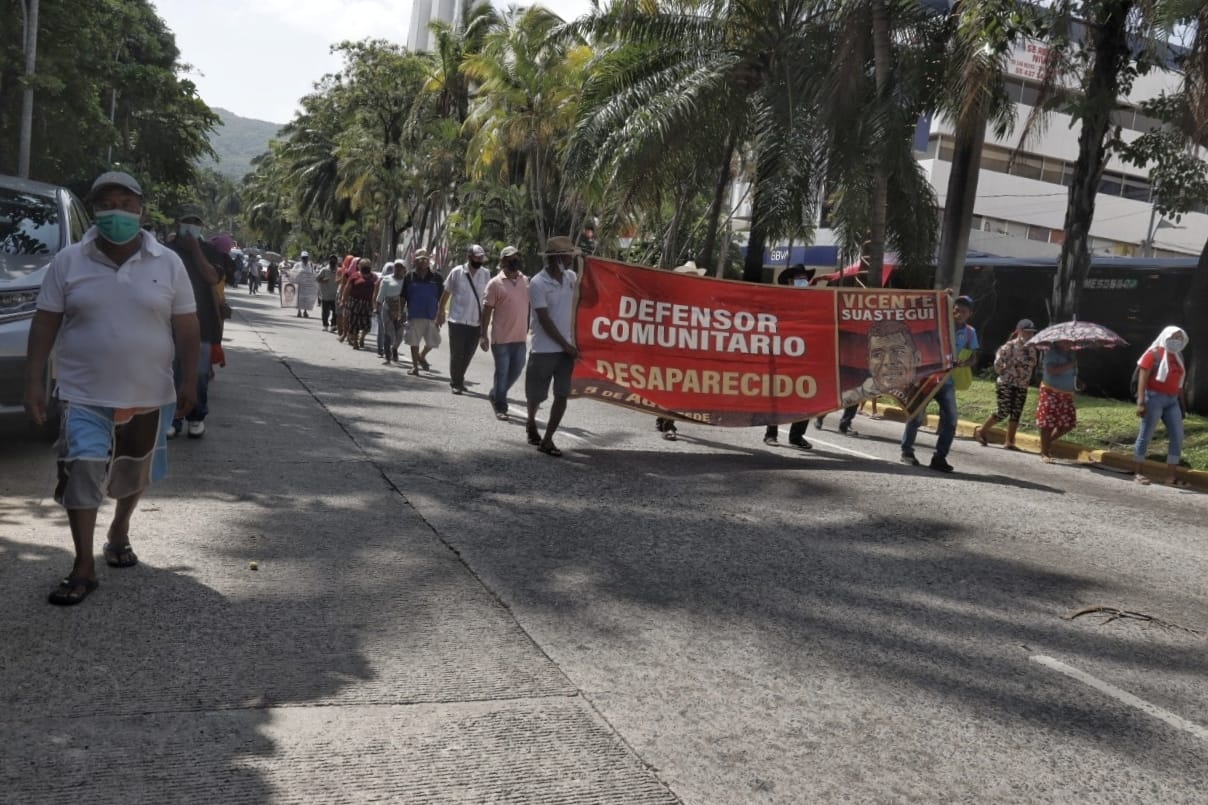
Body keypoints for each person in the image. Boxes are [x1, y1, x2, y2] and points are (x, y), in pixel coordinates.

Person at [23, 171, 199, 606]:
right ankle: (83, 564)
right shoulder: (68, 260)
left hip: (148, 391)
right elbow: (46, 320)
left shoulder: (168, 262)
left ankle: (119, 529)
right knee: (81, 465)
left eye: (126, 202)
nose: (117, 211)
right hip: (83, 390)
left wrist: (190, 378)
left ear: (140, 209)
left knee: (130, 473)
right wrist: (34, 380)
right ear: (95, 211)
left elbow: (187, 324)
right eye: (107, 204)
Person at [900, 295, 979, 472]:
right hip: (928, 378)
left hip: (947, 381)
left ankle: (939, 457)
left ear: (970, 314)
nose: (959, 313)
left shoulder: (969, 333)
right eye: (956, 309)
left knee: (951, 420)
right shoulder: (939, 324)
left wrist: (964, 363)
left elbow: (974, 356)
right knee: (917, 415)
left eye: (964, 310)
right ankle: (907, 452)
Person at [166, 205, 223, 440]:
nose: (191, 226)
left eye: (196, 223)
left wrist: (196, 250)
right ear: (179, 225)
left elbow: (211, 277)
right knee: (170, 373)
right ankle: (173, 418)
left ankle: (196, 416)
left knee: (198, 373)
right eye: (187, 222)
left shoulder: (211, 252)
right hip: (168, 322)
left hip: (202, 323)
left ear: (202, 228)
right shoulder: (166, 252)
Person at [526, 236, 579, 457]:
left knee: (561, 395)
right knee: (536, 396)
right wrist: (565, 344)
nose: (570, 260)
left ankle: (547, 439)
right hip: (544, 349)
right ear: (556, 258)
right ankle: (531, 422)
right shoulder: (538, 283)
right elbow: (544, 320)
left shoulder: (571, 278)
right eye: (567, 256)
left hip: (567, 351)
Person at [1132, 326, 1190, 486]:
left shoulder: (1179, 357)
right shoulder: (1153, 354)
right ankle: (1138, 472)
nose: (1176, 341)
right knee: (1146, 434)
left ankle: (1170, 476)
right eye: (1173, 337)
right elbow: (1143, 378)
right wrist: (1141, 402)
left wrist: (1183, 405)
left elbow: (1179, 384)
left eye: (1179, 338)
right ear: (1165, 336)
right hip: (1154, 398)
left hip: (1172, 401)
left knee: (1177, 436)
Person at [480, 246, 530, 420]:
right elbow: (486, 310)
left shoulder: (526, 281)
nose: (514, 260)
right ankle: (501, 405)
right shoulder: (495, 283)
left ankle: (496, 393)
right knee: (502, 372)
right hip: (501, 338)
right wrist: (483, 335)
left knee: (516, 371)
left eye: (517, 257)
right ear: (502, 261)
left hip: (520, 338)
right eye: (510, 258)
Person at [976, 319, 1039, 450]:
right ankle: (982, 430)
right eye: (1027, 332)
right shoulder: (1009, 346)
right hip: (1007, 382)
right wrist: (1005, 373)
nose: (1030, 336)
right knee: (1003, 410)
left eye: (1032, 333)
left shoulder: (1032, 349)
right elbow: (998, 363)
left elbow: (1032, 365)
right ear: (1020, 332)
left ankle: (1010, 441)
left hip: (1022, 384)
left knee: (1016, 412)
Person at [438, 244, 491, 394]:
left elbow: (487, 298)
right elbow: (446, 293)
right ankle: (456, 382)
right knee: (457, 353)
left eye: (481, 258)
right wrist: (440, 312)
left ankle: (459, 377)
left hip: (475, 322)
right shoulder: (457, 272)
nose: (479, 260)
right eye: (477, 257)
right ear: (469, 257)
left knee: (468, 353)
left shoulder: (486, 274)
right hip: (457, 320)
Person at [1036, 339, 1078, 463]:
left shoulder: (1071, 354)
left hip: (1066, 393)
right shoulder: (1051, 353)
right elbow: (1052, 370)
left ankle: (1046, 444)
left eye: (1070, 341)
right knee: (1048, 424)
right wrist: (1070, 365)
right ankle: (1045, 452)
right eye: (1066, 341)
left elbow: (1072, 372)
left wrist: (1078, 381)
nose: (1069, 343)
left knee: (1068, 424)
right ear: (1058, 341)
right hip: (1051, 391)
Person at [403, 249, 443, 375]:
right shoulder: (409, 276)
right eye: (420, 260)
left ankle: (421, 355)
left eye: (425, 260)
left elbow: (443, 298)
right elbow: (402, 296)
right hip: (414, 314)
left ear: (428, 261)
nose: (422, 262)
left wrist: (441, 314)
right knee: (414, 342)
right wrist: (400, 312)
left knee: (433, 342)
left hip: (431, 315)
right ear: (415, 261)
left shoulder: (437, 278)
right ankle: (415, 367)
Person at [375, 261, 406, 364]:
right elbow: (381, 295)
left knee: (400, 334)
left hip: (402, 310)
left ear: (404, 269)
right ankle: (387, 355)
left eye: (400, 267)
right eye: (396, 267)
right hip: (387, 309)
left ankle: (395, 348)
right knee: (388, 332)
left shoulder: (407, 281)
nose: (398, 269)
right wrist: (378, 306)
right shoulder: (387, 279)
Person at [344, 258, 378, 350]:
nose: (365, 268)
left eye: (367, 266)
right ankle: (355, 341)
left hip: (368, 304)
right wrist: (343, 300)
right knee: (354, 323)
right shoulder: (354, 276)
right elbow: (347, 288)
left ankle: (362, 337)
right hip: (355, 302)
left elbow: (377, 290)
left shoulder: (374, 277)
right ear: (359, 266)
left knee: (367, 325)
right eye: (363, 266)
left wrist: (376, 303)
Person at [292, 250, 318, 319]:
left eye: (306, 257)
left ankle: (305, 311)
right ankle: (299, 311)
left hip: (308, 286)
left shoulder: (311, 265)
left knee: (307, 299)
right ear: (301, 258)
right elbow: (293, 273)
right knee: (299, 298)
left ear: (308, 258)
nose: (305, 259)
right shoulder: (297, 265)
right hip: (300, 285)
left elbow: (314, 274)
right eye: (303, 258)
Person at [316, 254, 339, 330]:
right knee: (325, 312)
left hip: (335, 295)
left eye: (334, 259)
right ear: (329, 261)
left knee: (335, 311)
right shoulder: (324, 270)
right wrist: (323, 280)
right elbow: (317, 279)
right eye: (331, 259)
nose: (333, 261)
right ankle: (325, 325)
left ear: (336, 261)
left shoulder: (339, 270)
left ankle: (333, 325)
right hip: (325, 295)